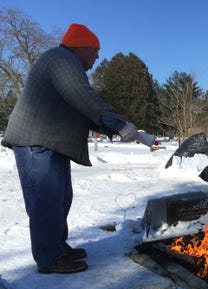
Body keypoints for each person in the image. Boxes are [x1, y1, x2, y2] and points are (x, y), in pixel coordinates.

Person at [1, 23, 155, 274]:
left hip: (50, 143)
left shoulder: (65, 63)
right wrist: (119, 123)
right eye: (94, 51)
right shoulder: (61, 60)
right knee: (45, 201)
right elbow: (83, 98)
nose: (97, 57)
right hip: (35, 141)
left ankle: (56, 246)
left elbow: (82, 110)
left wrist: (125, 131)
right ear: (80, 47)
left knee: (61, 198)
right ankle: (49, 257)